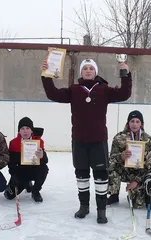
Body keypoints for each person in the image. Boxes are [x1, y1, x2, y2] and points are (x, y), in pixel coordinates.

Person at [41, 57, 132, 224]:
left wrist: (125, 74)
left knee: (101, 176)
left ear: (95, 71)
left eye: (91, 68)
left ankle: (101, 210)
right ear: (81, 72)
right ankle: (84, 206)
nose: (88, 70)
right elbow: (52, 94)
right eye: (85, 68)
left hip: (98, 141)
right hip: (79, 141)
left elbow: (124, 94)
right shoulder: (74, 90)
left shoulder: (104, 89)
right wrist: (47, 75)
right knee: (81, 175)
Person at [107, 110, 151, 208]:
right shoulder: (119, 137)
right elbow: (111, 160)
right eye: (132, 121)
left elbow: (149, 165)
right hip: (123, 170)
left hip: (139, 173)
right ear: (128, 123)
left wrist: (136, 181)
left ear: (141, 124)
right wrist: (121, 156)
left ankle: (135, 193)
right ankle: (113, 194)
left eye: (137, 121)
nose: (134, 124)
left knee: (138, 205)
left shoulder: (148, 140)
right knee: (110, 168)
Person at [4, 117, 49, 203]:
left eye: (28, 128)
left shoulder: (38, 141)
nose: (25, 131)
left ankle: (35, 190)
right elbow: (11, 162)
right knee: (8, 196)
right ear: (19, 131)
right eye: (22, 128)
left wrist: (42, 155)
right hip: (21, 172)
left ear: (32, 130)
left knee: (44, 168)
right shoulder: (14, 143)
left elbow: (45, 161)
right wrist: (13, 175)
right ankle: (26, 183)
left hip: (34, 169)